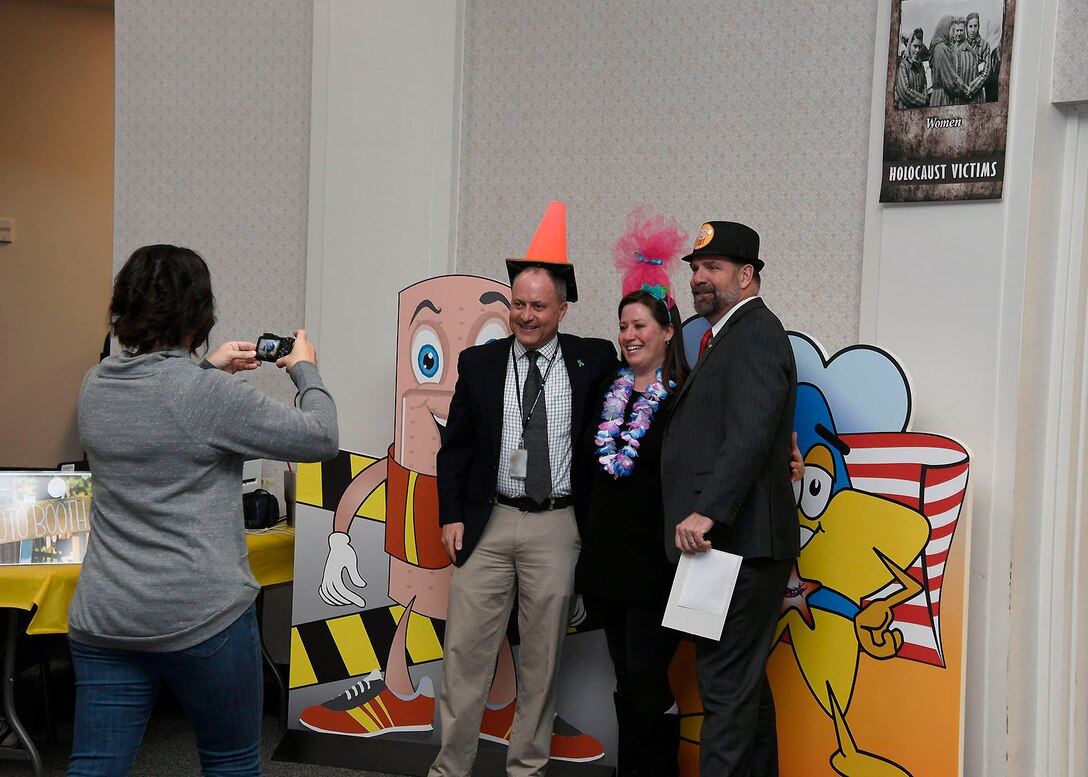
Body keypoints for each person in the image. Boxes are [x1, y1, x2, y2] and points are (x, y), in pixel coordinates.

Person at [67, 244, 339, 777]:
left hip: (107, 617)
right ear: (199, 314)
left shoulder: (94, 385)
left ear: (123, 309)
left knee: (94, 767)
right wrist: (306, 371)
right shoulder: (205, 395)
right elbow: (322, 435)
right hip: (201, 618)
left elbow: (161, 408)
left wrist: (210, 371)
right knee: (230, 764)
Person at [429, 201, 617, 777]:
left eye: (538, 306)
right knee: (464, 656)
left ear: (563, 307)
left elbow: (639, 400)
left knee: (542, 659)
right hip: (489, 518)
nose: (526, 316)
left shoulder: (594, 360)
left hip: (558, 524)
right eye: (518, 303)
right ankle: (449, 769)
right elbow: (456, 446)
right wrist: (451, 513)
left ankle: (526, 768)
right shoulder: (480, 363)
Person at [660, 221, 798, 776]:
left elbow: (749, 433)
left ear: (747, 275)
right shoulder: (727, 337)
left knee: (724, 687)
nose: (699, 278)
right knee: (741, 688)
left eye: (713, 268)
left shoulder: (757, 334)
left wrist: (707, 510)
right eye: (694, 268)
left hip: (736, 542)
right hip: (731, 545)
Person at [576, 208, 690, 777]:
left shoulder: (683, 398)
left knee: (648, 677)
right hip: (607, 561)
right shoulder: (606, 388)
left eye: (641, 325)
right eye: (623, 326)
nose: (629, 336)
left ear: (668, 330)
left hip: (658, 566)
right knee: (625, 677)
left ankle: (659, 770)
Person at [928, 15, 974, 106]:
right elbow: (950, 81)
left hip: (935, 96)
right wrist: (965, 89)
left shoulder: (936, 47)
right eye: (953, 30)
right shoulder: (943, 48)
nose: (954, 35)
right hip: (943, 98)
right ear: (945, 29)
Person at [894, 28, 930, 109]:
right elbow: (904, 92)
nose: (917, 50)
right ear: (910, 45)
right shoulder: (903, 65)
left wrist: (925, 95)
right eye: (915, 46)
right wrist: (924, 100)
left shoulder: (921, 66)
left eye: (920, 47)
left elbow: (924, 86)